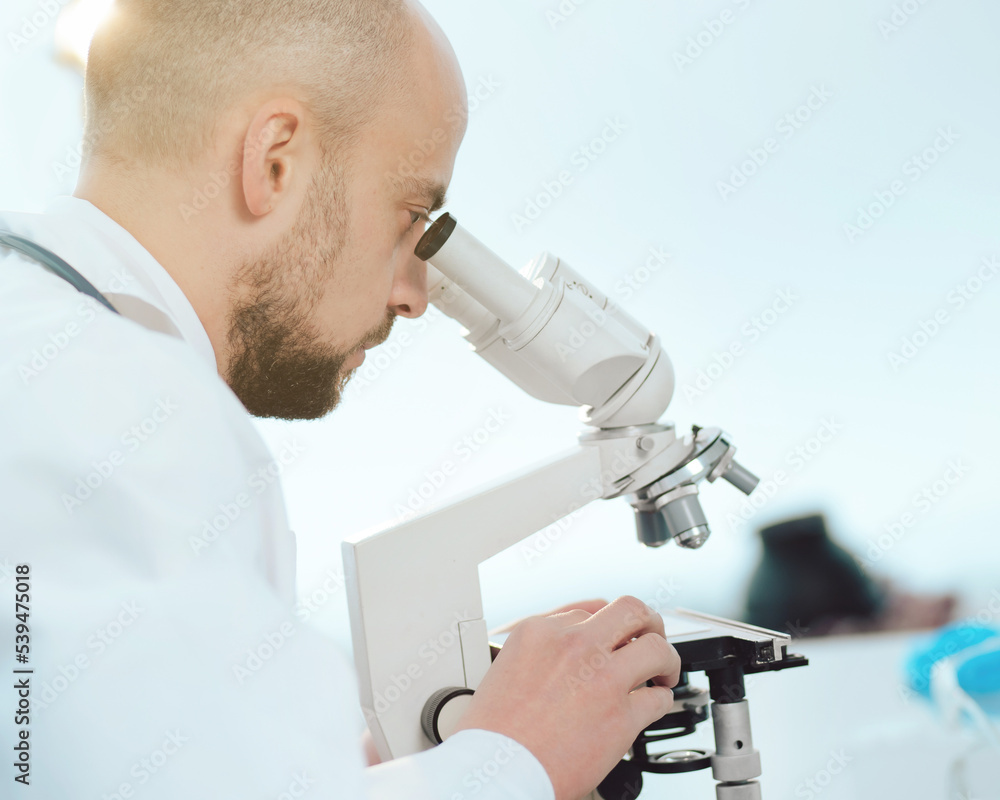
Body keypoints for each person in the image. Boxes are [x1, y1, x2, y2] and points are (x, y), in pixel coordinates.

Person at [0, 1, 681, 798]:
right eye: (412, 217)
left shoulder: (52, 348)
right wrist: (515, 761)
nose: (416, 293)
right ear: (276, 160)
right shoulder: (134, 414)